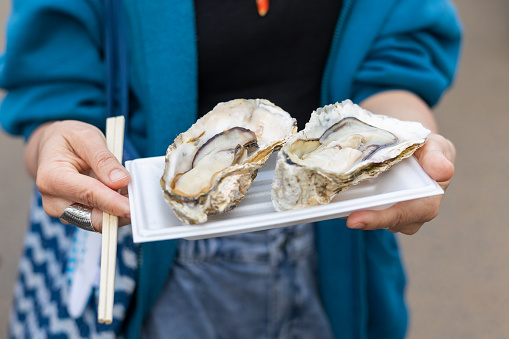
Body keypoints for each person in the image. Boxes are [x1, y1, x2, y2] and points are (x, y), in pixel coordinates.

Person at [0, 0, 461, 338]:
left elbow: (397, 63)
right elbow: (53, 91)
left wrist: (406, 145)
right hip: (161, 261)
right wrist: (55, 148)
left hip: (339, 236)